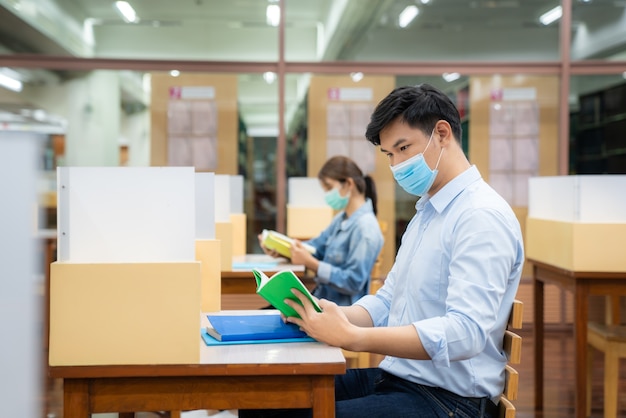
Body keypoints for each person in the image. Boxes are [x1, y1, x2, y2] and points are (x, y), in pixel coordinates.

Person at [241, 83, 525, 418]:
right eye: (390, 154)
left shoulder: (480, 216)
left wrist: (354, 337)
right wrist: (327, 315)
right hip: (402, 379)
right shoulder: (428, 213)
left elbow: (466, 333)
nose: (397, 164)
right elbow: (389, 300)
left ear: (443, 134)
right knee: (264, 401)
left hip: (450, 401)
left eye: (404, 147)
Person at [259, 155, 384, 307]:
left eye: (329, 188)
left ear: (349, 184)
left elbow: (353, 282)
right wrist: (283, 250)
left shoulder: (366, 228)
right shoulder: (341, 219)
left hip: (339, 312)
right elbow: (315, 248)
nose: (327, 195)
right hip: (320, 300)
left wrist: (312, 264)